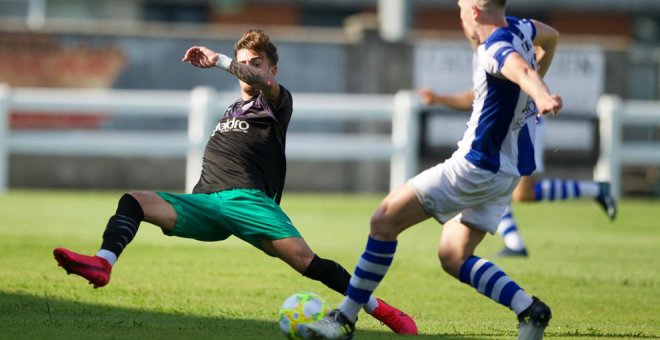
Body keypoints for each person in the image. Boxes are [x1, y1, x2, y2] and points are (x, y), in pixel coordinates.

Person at [52, 28, 417, 335]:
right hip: (207, 203)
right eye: (242, 60)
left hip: (249, 202)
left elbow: (261, 83)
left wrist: (223, 62)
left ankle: (379, 309)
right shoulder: (232, 109)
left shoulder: (275, 102)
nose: (247, 69)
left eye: (255, 63)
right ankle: (103, 263)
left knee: (306, 261)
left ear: (271, 69)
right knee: (134, 200)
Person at [307, 1, 561, 339]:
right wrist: (536, 85)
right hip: (506, 170)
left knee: (384, 220)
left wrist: (540, 94)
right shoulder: (522, 28)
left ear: (473, 12)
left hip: (475, 166)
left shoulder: (495, 48)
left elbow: (521, 70)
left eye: (460, 10)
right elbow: (552, 37)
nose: (459, 17)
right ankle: (529, 310)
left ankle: (343, 319)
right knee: (454, 255)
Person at [419, 87, 617, 258]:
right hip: (509, 128)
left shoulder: (495, 48)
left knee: (519, 192)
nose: (471, 39)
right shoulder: (486, 49)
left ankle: (595, 190)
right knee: (499, 183)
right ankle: (515, 243)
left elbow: (476, 95)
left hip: (522, 127)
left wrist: (439, 99)